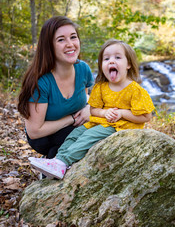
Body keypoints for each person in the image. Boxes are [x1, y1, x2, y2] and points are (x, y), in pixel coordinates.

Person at [28, 39, 155, 179]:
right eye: (106, 59)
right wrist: (105, 112)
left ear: (129, 64)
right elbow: (93, 110)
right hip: (100, 122)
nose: (111, 61)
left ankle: (64, 161)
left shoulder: (135, 90)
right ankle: (56, 162)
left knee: (87, 138)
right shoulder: (101, 87)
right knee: (75, 134)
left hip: (120, 126)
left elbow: (146, 116)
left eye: (117, 57)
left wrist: (121, 113)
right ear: (101, 65)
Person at [18, 16, 94, 159]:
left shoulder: (83, 69)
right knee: (81, 138)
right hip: (43, 137)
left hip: (71, 129)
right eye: (61, 40)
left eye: (73, 37)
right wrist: (71, 119)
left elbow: (84, 101)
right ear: (49, 46)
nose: (70, 44)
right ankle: (52, 162)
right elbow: (35, 131)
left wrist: (88, 109)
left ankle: (52, 161)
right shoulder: (40, 81)